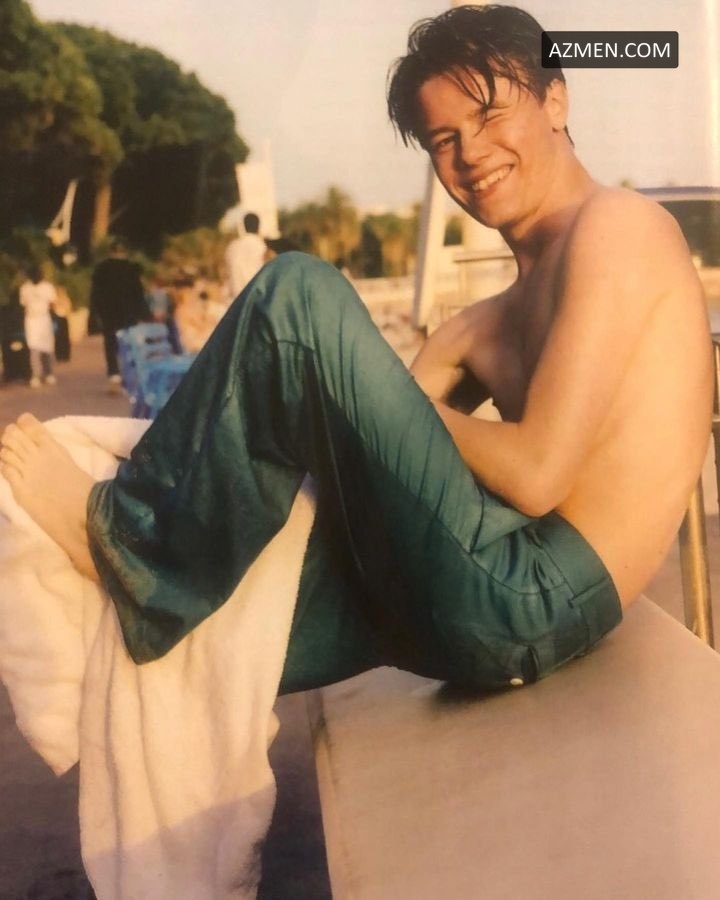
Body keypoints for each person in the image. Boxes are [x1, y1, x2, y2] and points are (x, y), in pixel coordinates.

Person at [0, 5, 712, 694]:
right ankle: (142, 609)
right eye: (443, 139)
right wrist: (333, 406)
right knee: (235, 605)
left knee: (299, 293)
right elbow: (363, 466)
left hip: (537, 595)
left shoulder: (620, 226)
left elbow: (536, 474)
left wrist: (356, 391)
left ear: (555, 98)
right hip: (487, 600)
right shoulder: (481, 324)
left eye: (490, 115)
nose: (470, 153)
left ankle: (123, 541)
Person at [89, 240, 148, 386]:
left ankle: (114, 373)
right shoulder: (132, 269)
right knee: (129, 342)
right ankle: (130, 370)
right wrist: (143, 313)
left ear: (110, 251)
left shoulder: (101, 269)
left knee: (110, 342)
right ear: (125, 252)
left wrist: (96, 312)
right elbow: (138, 293)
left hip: (108, 312)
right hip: (129, 312)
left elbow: (95, 293)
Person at [19, 265, 57, 388]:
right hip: (31, 320)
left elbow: (53, 303)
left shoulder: (47, 287)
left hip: (44, 318)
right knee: (34, 348)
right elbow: (23, 304)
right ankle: (35, 375)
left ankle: (49, 373)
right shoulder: (25, 288)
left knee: (47, 348)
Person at [224, 212, 270, 298]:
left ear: (244, 226)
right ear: (258, 226)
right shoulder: (261, 246)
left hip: (236, 298)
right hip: (255, 297)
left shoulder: (232, 247)